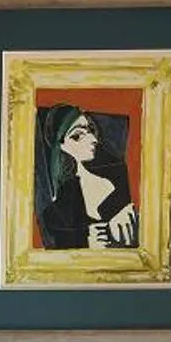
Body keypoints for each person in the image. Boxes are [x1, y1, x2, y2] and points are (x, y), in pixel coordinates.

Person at [34, 104, 139, 252]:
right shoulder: (58, 207)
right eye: (77, 136)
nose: (93, 139)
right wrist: (84, 241)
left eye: (90, 130)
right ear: (62, 146)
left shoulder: (118, 178)